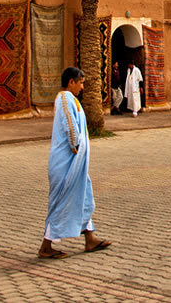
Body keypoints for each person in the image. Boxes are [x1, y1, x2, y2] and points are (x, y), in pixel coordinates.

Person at [38, 67, 112, 259]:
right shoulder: (64, 98)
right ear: (71, 82)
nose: (82, 86)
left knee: (84, 197)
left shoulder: (73, 100)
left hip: (76, 164)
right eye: (80, 83)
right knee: (61, 201)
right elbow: (69, 124)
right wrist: (75, 145)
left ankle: (90, 238)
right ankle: (46, 246)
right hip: (65, 163)